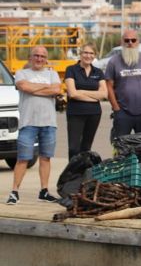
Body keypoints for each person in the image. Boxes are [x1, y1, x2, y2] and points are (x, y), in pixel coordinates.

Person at [8, 46, 61, 204]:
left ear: (46, 59)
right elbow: (24, 86)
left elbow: (57, 89)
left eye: (42, 56)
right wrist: (47, 88)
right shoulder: (21, 73)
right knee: (23, 158)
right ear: (30, 58)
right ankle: (14, 192)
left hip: (49, 123)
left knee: (45, 158)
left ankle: (44, 191)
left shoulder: (52, 74)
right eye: (36, 56)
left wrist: (34, 88)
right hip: (28, 123)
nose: (39, 59)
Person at [105, 29, 141, 137]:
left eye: (133, 40)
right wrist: (116, 108)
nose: (130, 43)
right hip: (122, 113)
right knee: (120, 147)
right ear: (122, 42)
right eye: (127, 40)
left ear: (138, 42)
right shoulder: (113, 62)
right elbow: (109, 86)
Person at [64, 43, 106, 157]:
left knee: (86, 148)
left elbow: (104, 94)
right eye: (85, 52)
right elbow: (72, 93)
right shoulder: (71, 70)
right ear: (80, 54)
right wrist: (94, 97)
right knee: (73, 148)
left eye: (91, 53)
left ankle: (83, 173)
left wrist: (82, 91)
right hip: (76, 113)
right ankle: (73, 174)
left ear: (95, 55)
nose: (88, 56)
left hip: (94, 114)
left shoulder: (98, 72)